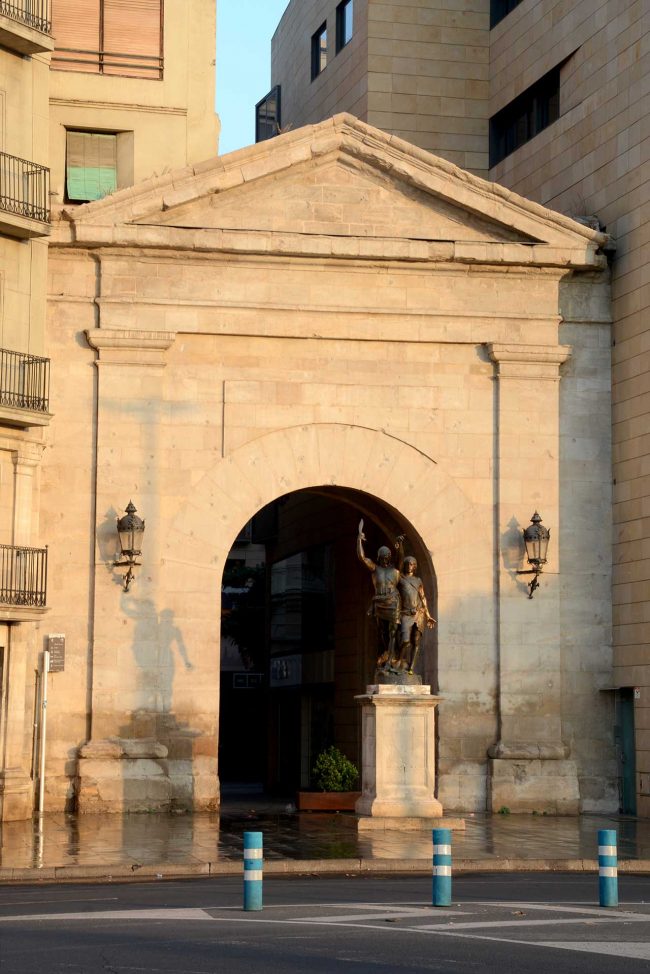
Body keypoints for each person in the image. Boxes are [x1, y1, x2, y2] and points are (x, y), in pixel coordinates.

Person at [356, 519, 401, 669]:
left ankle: (391, 657)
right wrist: (359, 540)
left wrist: (400, 546)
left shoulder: (395, 569)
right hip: (380, 601)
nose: (385, 558)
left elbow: (401, 558)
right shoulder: (375, 568)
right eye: (383, 556)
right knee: (383, 632)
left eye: (387, 555)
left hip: (393, 600)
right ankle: (388, 652)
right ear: (379, 557)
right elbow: (362, 558)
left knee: (393, 630)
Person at [397, 555, 435, 674]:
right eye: (408, 563)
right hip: (405, 613)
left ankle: (411, 668)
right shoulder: (400, 578)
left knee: (416, 641)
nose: (410, 566)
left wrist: (428, 615)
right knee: (405, 641)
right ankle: (398, 661)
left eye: (412, 564)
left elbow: (423, 597)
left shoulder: (418, 580)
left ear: (415, 567)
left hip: (418, 614)